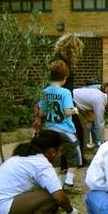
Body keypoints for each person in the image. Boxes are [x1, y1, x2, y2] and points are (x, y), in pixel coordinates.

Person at [0, 130, 79, 214]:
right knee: (51, 197)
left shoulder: (21, 157)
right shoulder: (41, 164)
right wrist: (72, 213)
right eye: (60, 151)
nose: (60, 154)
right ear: (52, 151)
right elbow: (60, 197)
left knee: (46, 191)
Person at [39, 60, 82, 193]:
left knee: (54, 155)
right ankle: (68, 182)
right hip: (65, 130)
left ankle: (55, 184)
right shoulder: (65, 92)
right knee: (75, 155)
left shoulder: (45, 91)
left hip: (49, 129)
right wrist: (75, 109)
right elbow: (66, 111)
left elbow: (41, 112)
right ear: (65, 78)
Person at [52, 33, 86, 164]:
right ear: (71, 48)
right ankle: (77, 160)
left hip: (59, 101)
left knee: (66, 132)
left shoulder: (57, 60)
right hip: (64, 103)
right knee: (77, 131)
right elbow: (63, 87)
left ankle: (65, 163)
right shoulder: (62, 63)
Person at [73, 80, 108, 148]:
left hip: (76, 101)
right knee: (83, 126)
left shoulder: (100, 95)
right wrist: (103, 140)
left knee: (87, 124)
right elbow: (100, 122)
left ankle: (87, 144)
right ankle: (83, 147)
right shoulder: (100, 100)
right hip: (72, 101)